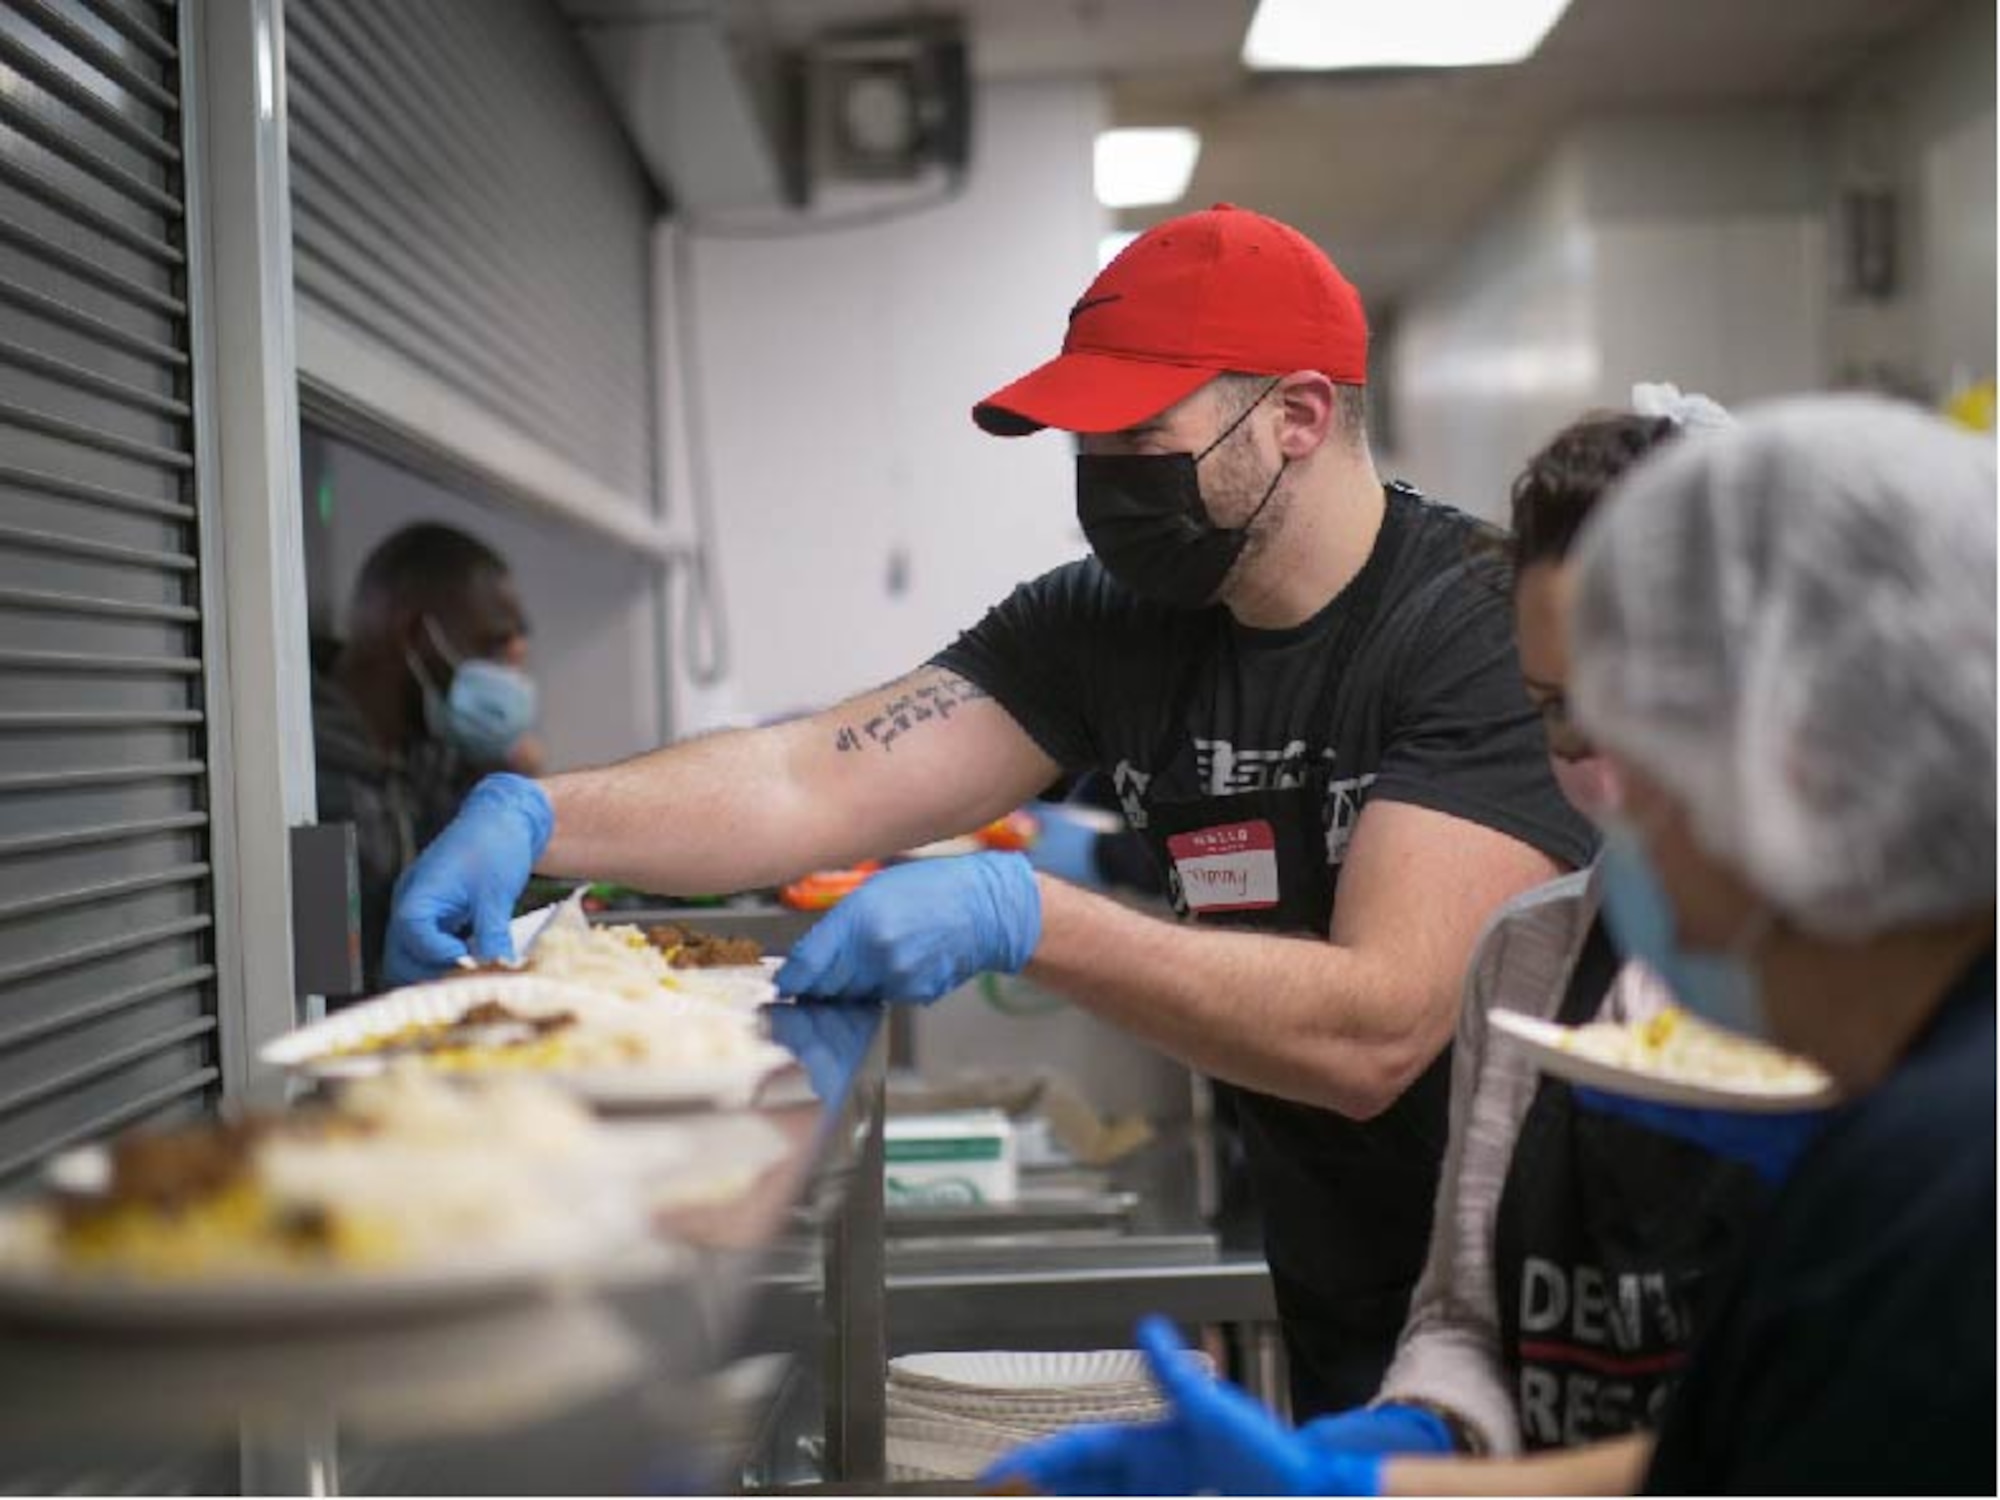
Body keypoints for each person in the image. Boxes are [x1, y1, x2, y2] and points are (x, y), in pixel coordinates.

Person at [385, 204, 1593, 1412]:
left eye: (1137, 434)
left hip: (1565, 1313)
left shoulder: (1477, 629)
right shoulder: (1109, 626)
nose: (1103, 480)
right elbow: (814, 776)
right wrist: (539, 815)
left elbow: (1375, 1032)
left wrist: (1027, 915)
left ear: (1296, 417)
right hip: (1343, 1290)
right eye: (1084, 443)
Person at [991, 393, 1998, 1495]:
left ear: (1806, 748)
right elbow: (1718, 1462)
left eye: (1645, 745)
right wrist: (1379, 1477)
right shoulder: (1902, 1115)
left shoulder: (1948, 1177)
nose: (1608, 802)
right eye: (1551, 717)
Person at [313, 522, 539, 995]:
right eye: (492, 647)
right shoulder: (309, 773)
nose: (510, 676)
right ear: (416, 635)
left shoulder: (435, 763)